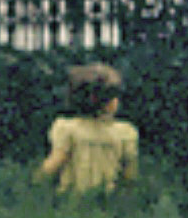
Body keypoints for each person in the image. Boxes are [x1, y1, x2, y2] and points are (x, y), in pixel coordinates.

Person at [37, 62, 139, 194]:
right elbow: (130, 175)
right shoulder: (125, 132)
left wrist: (36, 181)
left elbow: (54, 163)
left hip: (71, 196)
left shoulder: (67, 128)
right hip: (106, 197)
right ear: (111, 103)